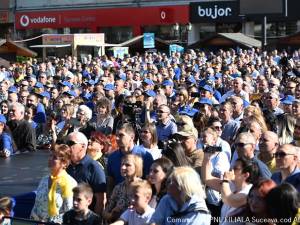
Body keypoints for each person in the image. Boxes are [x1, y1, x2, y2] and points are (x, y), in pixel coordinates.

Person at [202, 157, 259, 225]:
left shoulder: (249, 193)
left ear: (246, 175)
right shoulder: (230, 185)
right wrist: (207, 157)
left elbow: (227, 199)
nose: (231, 171)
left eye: (235, 168)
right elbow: (207, 179)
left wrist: (225, 180)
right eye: (231, 168)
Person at [30, 144, 77, 223]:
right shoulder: (44, 179)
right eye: (50, 156)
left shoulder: (69, 183)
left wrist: (48, 223)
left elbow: (70, 212)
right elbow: (36, 205)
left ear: (64, 163)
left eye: (55, 158)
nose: (50, 159)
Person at [66, 131, 106, 215]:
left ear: (82, 146)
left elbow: (100, 201)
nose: (66, 146)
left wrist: (94, 221)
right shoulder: (65, 165)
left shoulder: (94, 168)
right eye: (66, 143)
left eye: (70, 143)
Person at [107, 123, 153, 191]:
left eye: (121, 135)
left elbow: (150, 183)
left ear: (132, 137)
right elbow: (110, 183)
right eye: (116, 135)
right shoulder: (112, 157)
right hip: (118, 197)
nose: (117, 138)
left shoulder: (145, 156)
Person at [104, 154, 143, 223]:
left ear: (137, 167)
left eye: (127, 165)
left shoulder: (142, 187)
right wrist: (112, 214)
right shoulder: (118, 187)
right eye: (122, 164)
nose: (123, 167)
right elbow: (105, 212)